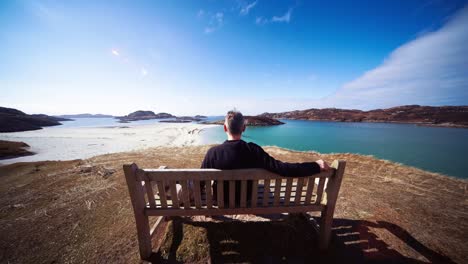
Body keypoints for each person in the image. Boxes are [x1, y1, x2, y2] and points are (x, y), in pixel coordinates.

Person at [201, 110, 330, 205]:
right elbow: (283, 168)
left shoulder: (213, 153)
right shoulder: (253, 150)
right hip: (245, 200)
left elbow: (199, 182)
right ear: (244, 128)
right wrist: (315, 165)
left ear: (224, 128)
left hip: (220, 201)